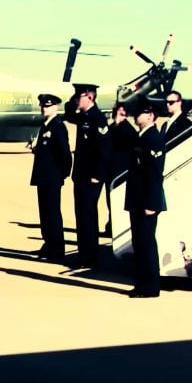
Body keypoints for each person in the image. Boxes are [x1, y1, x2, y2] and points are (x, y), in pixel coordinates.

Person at [65, 83, 111, 267]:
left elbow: (104, 150)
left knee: (88, 216)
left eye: (80, 96)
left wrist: (98, 175)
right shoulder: (83, 116)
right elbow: (68, 114)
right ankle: (84, 253)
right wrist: (73, 101)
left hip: (91, 177)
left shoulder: (97, 119)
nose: (77, 100)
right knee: (81, 216)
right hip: (80, 175)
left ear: (90, 97)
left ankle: (90, 256)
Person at [125, 102, 167, 298]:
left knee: (147, 243)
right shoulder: (140, 137)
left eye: (141, 113)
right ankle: (141, 283)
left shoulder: (153, 138)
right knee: (139, 243)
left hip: (147, 202)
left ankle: (150, 286)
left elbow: (155, 174)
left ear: (151, 116)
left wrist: (151, 203)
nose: (137, 116)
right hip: (137, 199)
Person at [30, 93, 72, 262]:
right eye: (42, 106)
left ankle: (57, 248)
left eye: (47, 106)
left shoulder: (57, 126)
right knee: (45, 213)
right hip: (43, 176)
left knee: (53, 213)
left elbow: (64, 153)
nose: (43, 108)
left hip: (52, 177)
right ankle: (48, 243)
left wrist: (62, 174)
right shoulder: (45, 126)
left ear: (55, 107)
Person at [104, 102, 137, 236]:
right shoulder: (111, 128)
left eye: (121, 112)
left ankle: (117, 227)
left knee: (119, 201)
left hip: (121, 171)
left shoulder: (128, 130)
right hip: (110, 170)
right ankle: (111, 224)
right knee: (109, 200)